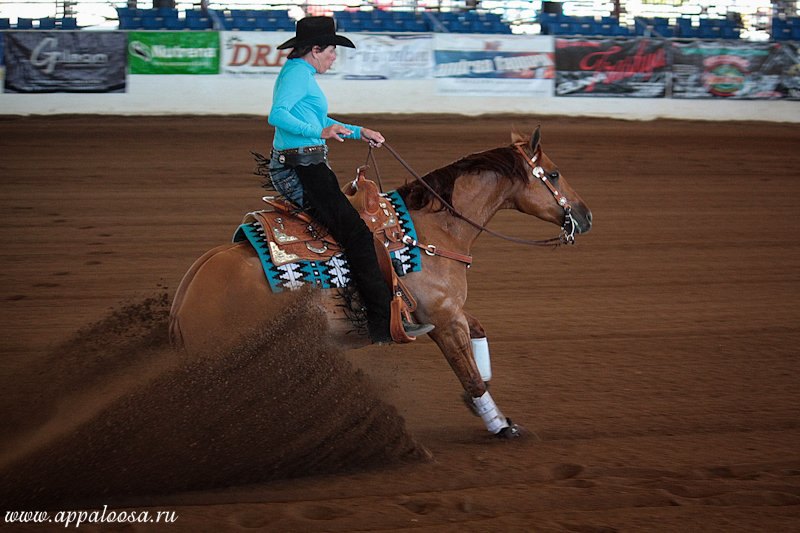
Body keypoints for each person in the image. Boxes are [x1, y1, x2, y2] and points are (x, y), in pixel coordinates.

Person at [267, 16, 433, 344]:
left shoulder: (301, 73)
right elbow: (278, 114)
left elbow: (313, 117)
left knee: (352, 230)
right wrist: (319, 131)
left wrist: (359, 132)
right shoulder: (298, 74)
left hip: (308, 165)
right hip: (301, 170)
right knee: (357, 236)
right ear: (314, 50)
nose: (333, 57)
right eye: (331, 51)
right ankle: (381, 323)